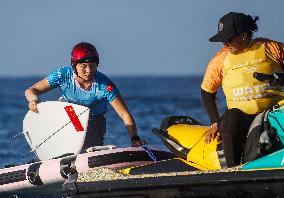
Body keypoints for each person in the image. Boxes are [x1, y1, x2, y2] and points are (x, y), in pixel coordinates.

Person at [25, 42, 145, 152]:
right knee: (74, 138)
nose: (88, 71)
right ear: (74, 65)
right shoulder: (62, 75)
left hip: (95, 119)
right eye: (83, 66)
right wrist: (33, 99)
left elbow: (125, 115)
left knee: (90, 148)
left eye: (92, 66)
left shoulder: (104, 85)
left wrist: (134, 138)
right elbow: (31, 91)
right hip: (69, 113)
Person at [201, 12, 284, 167]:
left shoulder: (271, 48)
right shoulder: (220, 60)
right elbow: (207, 92)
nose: (224, 44)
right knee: (231, 117)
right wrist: (214, 123)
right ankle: (234, 171)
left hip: (275, 113)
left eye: (228, 39)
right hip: (242, 119)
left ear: (244, 35)